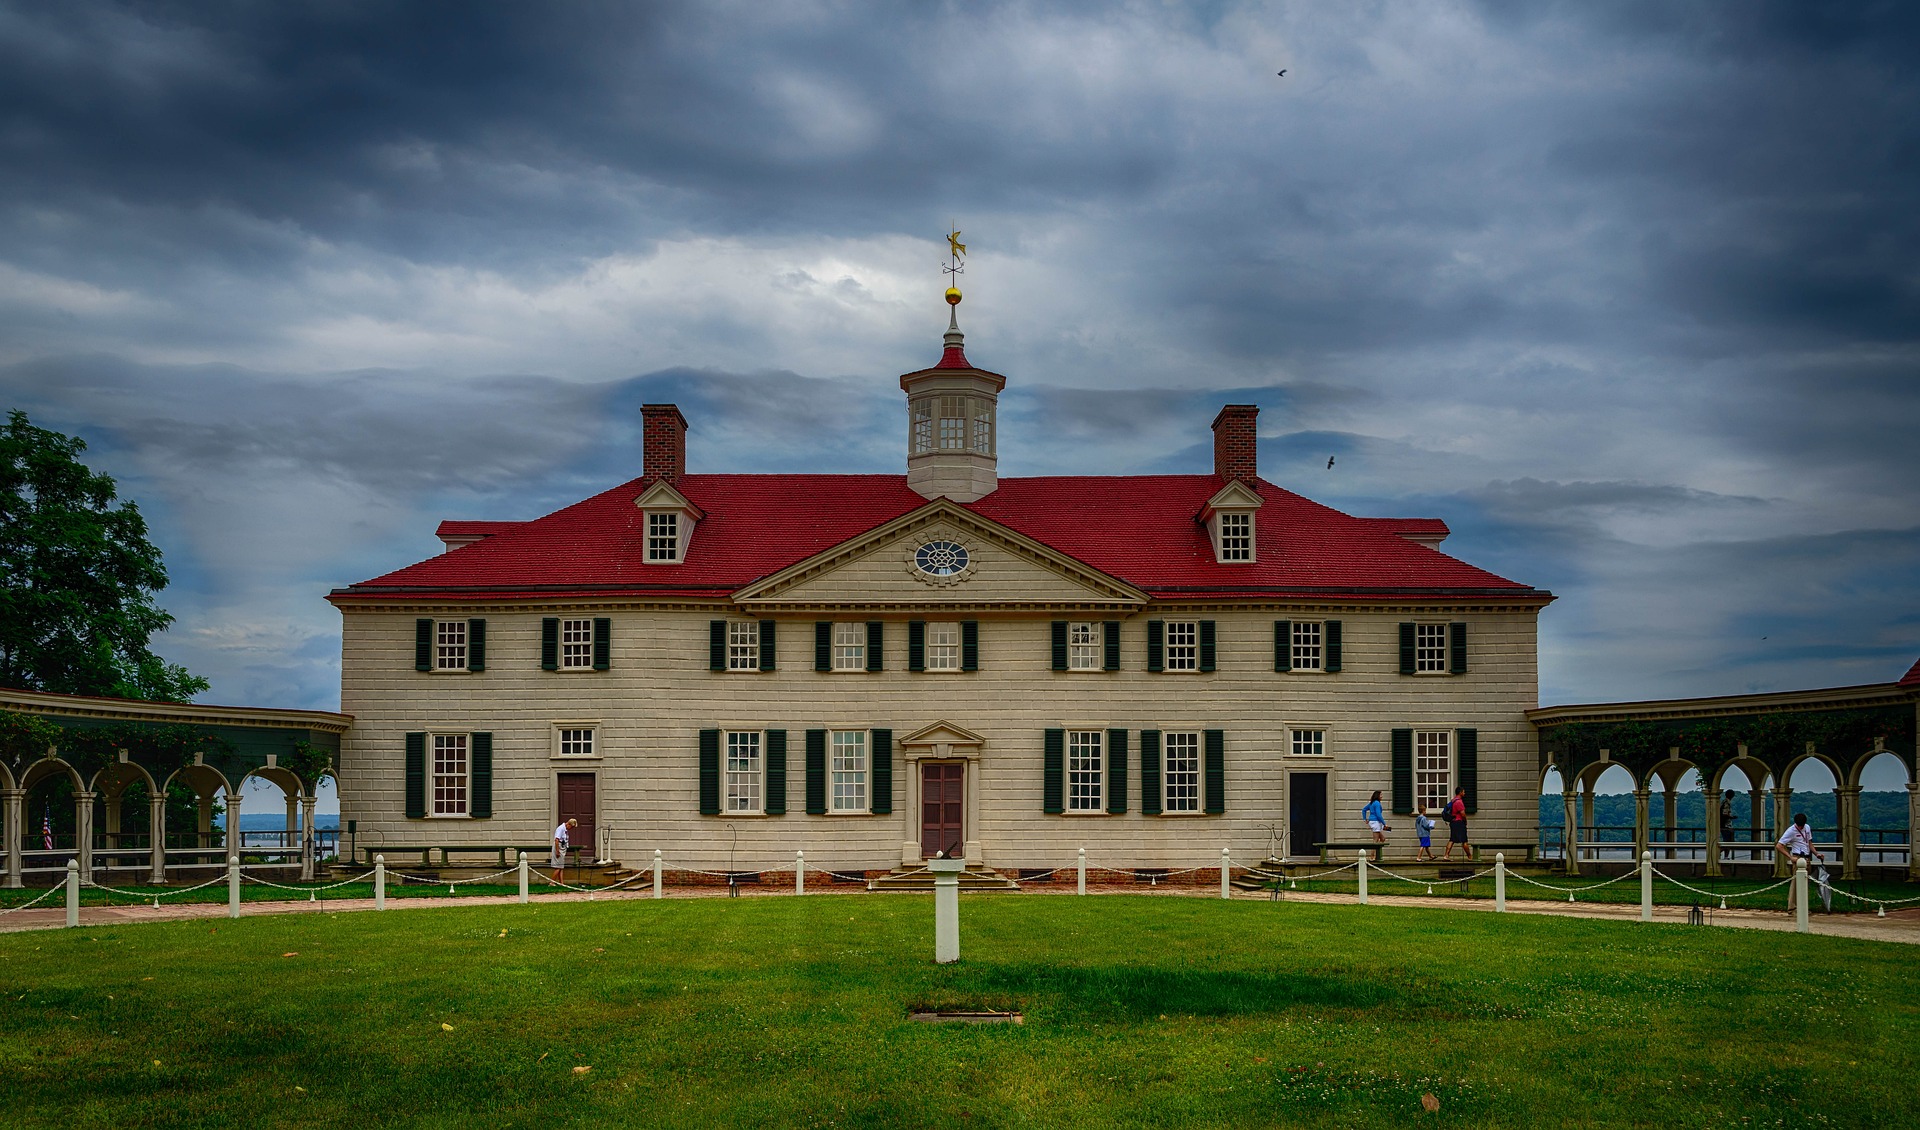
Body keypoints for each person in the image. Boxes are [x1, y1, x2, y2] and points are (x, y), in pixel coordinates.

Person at [1775, 812, 1824, 914]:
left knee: (1805, 883)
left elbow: (1809, 843)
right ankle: (1792, 907)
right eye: (1799, 825)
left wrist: (1816, 853)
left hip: (1807, 858)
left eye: (1802, 825)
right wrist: (1790, 857)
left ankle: (1802, 907)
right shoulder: (1791, 831)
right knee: (1796, 883)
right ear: (1796, 823)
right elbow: (1779, 846)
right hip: (1798, 858)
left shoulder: (1807, 828)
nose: (1801, 827)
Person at [1443, 787, 1471, 861]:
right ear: (1460, 792)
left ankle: (1446, 855)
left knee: (1452, 839)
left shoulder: (1453, 800)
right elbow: (1463, 814)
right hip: (1459, 822)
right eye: (1463, 792)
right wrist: (1465, 821)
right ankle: (1469, 856)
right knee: (1464, 840)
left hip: (1453, 822)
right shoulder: (1459, 802)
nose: (1464, 793)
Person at [1718, 789, 1737, 860]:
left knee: (1728, 842)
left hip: (1724, 825)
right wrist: (1732, 817)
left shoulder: (1723, 802)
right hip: (1726, 825)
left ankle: (1725, 856)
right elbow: (1724, 814)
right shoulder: (1727, 803)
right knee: (1728, 842)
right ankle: (1718, 852)